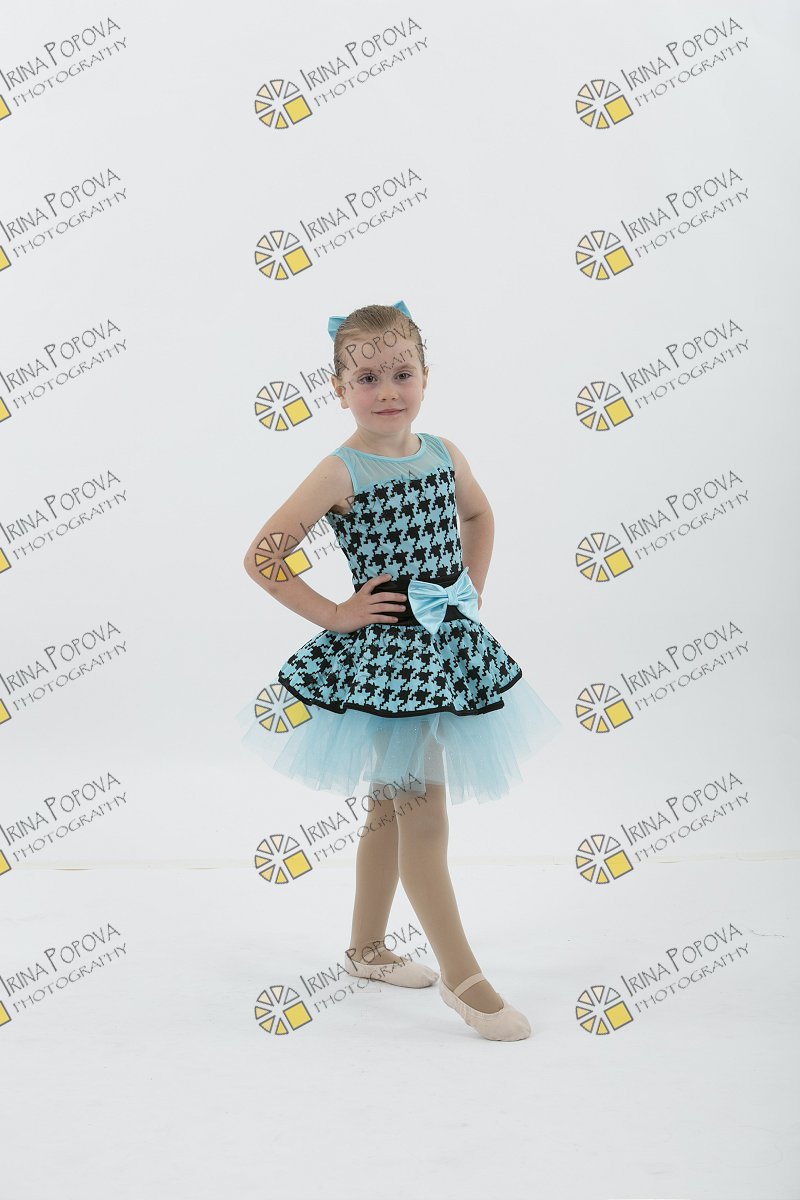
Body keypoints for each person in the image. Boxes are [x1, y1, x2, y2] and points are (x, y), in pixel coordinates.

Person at [237, 301, 563, 1041]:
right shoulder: (339, 470)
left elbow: (478, 516)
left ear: (425, 376)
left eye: (401, 373)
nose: (387, 390)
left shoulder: (445, 453)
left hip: (445, 649)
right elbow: (263, 556)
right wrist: (335, 613)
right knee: (423, 817)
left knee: (390, 806)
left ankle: (366, 949)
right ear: (338, 389)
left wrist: (469, 590)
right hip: (388, 663)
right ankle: (465, 980)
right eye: (367, 378)